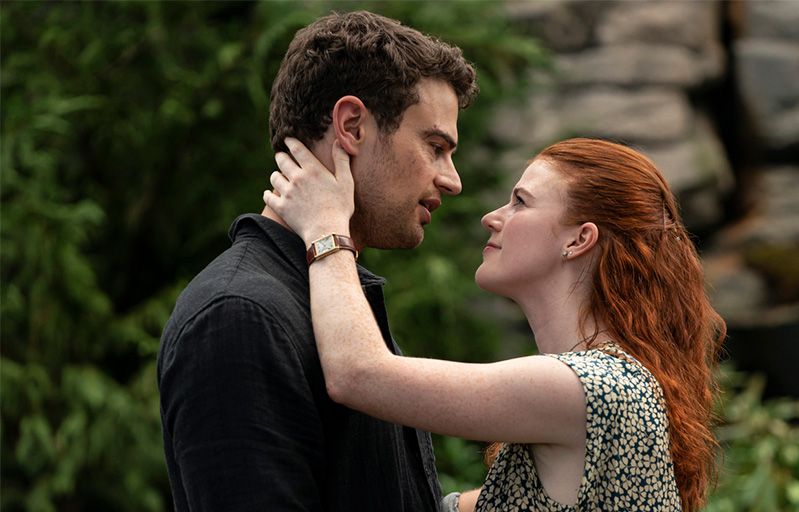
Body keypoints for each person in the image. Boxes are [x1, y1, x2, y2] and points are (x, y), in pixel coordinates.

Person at [265, 136, 726, 511]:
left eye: (520, 202)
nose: (492, 217)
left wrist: (326, 227)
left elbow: (357, 374)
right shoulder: (610, 386)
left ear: (579, 239)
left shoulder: (591, 386)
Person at [157, 11, 478, 511]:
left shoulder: (333, 295)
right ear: (351, 127)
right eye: (435, 146)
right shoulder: (239, 314)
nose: (451, 179)